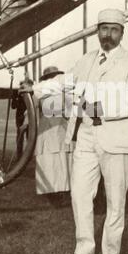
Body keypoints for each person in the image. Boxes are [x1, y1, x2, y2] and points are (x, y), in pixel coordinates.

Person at [26, 9, 128, 254]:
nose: (108, 35)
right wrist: (35, 88)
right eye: (104, 29)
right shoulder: (86, 61)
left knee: (116, 198)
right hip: (86, 135)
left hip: (117, 137)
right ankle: (84, 249)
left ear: (122, 33)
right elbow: (64, 82)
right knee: (80, 193)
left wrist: (98, 108)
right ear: (97, 31)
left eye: (114, 30)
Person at [34, 66, 72, 196]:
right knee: (59, 156)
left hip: (52, 126)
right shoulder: (60, 91)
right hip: (54, 125)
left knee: (54, 155)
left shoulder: (40, 91)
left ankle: (54, 188)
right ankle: (60, 187)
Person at [12, 78, 34, 160]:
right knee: (20, 136)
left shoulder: (31, 94)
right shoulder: (17, 95)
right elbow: (13, 106)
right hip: (20, 117)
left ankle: (29, 155)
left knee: (29, 136)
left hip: (29, 117)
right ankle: (19, 155)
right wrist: (15, 97)